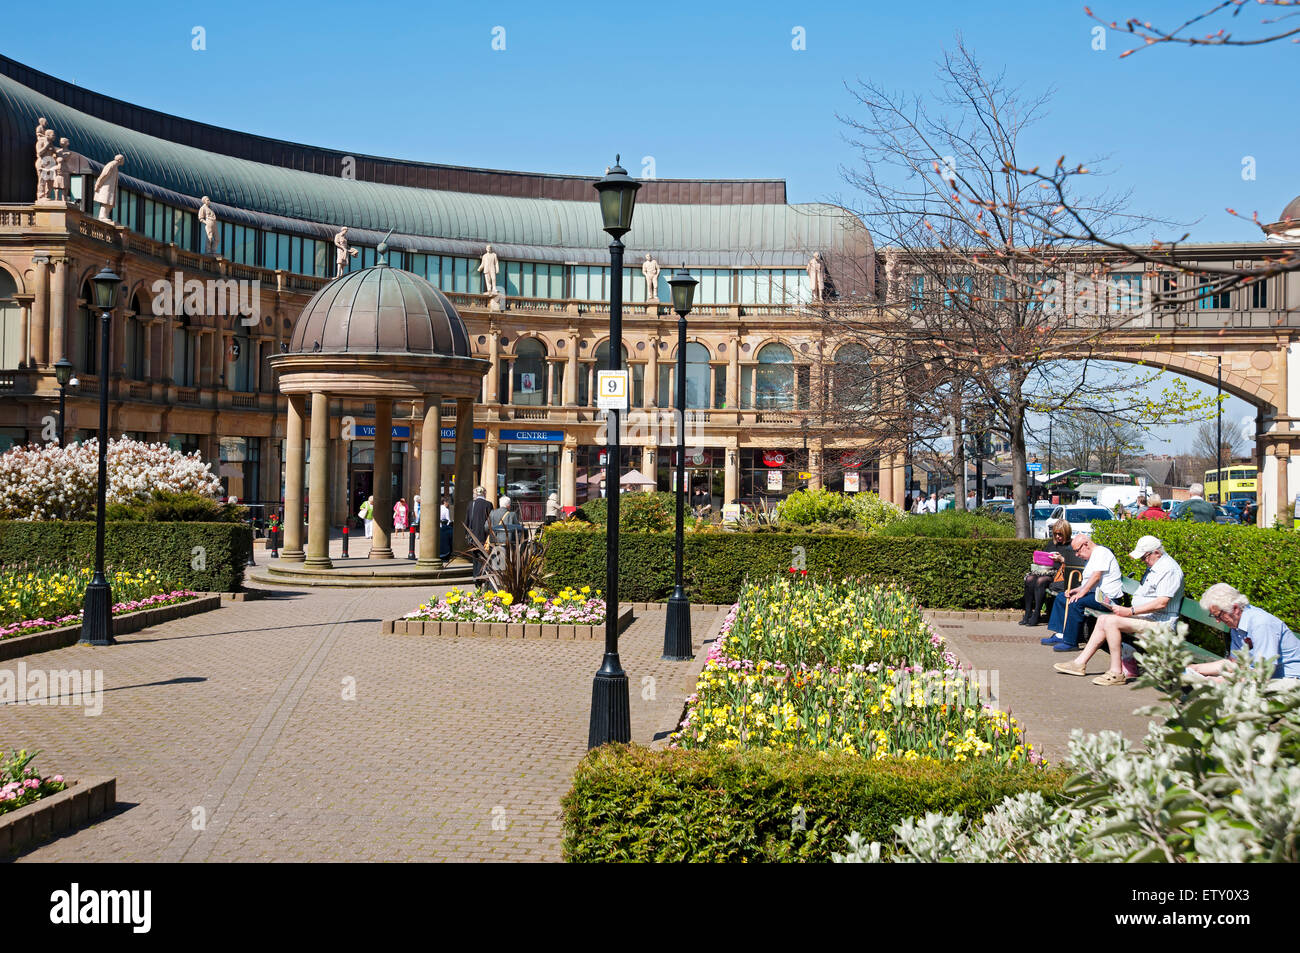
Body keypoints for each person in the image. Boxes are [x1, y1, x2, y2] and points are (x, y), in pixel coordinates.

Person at [1054, 536, 1184, 685]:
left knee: (1110, 621)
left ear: (1157, 552)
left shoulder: (1168, 569)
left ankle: (1116, 673)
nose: (1143, 561)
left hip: (1160, 623)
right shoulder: (1157, 566)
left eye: (1144, 557)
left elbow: (1162, 602)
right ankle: (1079, 663)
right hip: (1145, 618)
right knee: (1104, 619)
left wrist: (1130, 611)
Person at [1190, 584, 1300, 684]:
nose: (1217, 621)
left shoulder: (1261, 624)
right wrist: (1195, 668)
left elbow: (1263, 673)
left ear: (1235, 608)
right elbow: (1234, 663)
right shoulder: (1236, 624)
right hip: (1264, 678)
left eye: (1218, 615)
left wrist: (1218, 680)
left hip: (1290, 680)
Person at [1040, 533, 1123, 651]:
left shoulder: (1101, 552)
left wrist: (1081, 593)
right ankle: (1060, 634)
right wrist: (1076, 590)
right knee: (1061, 597)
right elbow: (1088, 583)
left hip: (1107, 597)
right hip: (1095, 594)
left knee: (1076, 602)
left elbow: (1096, 577)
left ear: (1086, 545)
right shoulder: (1090, 557)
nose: (1077, 555)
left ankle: (1071, 642)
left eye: (1078, 551)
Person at [1020, 521, 1072, 626]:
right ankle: (1028, 613)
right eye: (1056, 534)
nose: (1058, 537)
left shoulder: (1071, 545)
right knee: (1029, 578)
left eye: (1060, 534)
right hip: (1047, 570)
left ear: (1066, 533)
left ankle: (1036, 613)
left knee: (1040, 581)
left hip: (1059, 575)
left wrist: (1062, 559)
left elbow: (1074, 563)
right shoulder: (1051, 544)